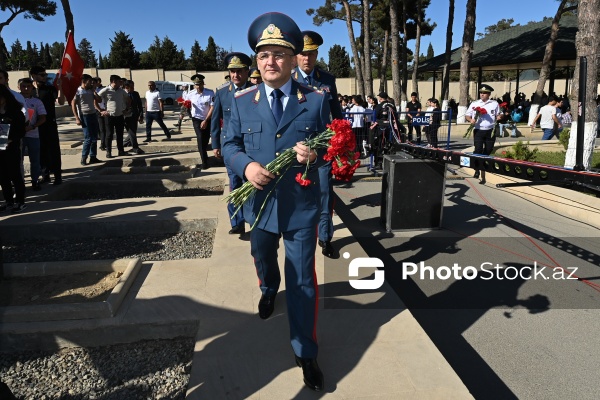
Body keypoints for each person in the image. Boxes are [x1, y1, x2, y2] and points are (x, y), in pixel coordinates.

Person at [222, 12, 330, 392]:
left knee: (302, 281)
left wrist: (314, 157)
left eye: (279, 54)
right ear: (257, 60)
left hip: (301, 208)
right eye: (264, 54)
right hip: (261, 207)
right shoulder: (242, 101)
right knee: (263, 256)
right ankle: (268, 288)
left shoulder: (315, 101)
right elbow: (229, 145)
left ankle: (305, 351)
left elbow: (330, 147)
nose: (271, 61)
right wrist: (246, 167)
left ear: (292, 58)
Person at [293, 29, 343, 259]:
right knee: (297, 195)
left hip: (321, 151)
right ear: (296, 55)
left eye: (311, 53)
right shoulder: (287, 79)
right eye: (303, 53)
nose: (307, 58)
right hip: (295, 150)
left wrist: (343, 141)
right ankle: (298, 236)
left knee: (324, 194)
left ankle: (325, 238)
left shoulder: (327, 81)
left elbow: (338, 115)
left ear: (316, 55)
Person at [211, 52, 254, 235]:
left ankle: (252, 218)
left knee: (250, 183)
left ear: (247, 72)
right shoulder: (222, 93)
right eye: (232, 72)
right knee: (234, 182)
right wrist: (215, 145)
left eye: (239, 71)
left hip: (251, 145)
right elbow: (215, 120)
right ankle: (236, 222)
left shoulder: (256, 91)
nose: (235, 75)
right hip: (230, 146)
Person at [30, 65, 64, 185]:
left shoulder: (50, 89)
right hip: (36, 126)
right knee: (41, 151)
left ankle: (57, 176)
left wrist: (60, 88)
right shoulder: (29, 91)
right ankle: (45, 175)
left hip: (50, 124)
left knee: (53, 150)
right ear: (34, 76)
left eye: (45, 75)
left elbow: (60, 101)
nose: (45, 77)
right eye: (42, 75)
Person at [465, 84, 501, 185]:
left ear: (489, 94)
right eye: (481, 93)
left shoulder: (494, 103)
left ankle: (479, 163)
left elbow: (499, 114)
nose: (482, 94)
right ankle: (477, 169)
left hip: (490, 130)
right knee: (477, 150)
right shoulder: (474, 103)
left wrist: (500, 117)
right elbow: (467, 115)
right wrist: (470, 119)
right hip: (478, 130)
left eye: (484, 93)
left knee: (488, 150)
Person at [0, 84, 27, 212]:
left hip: (12, 147)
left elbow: (21, 131)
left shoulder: (15, 112)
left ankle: (20, 201)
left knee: (15, 174)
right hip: (0, 148)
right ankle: (8, 201)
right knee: (2, 176)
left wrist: (11, 139)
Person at [19, 78, 45, 191]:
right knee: (18, 161)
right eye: (23, 86)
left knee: (35, 160)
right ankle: (20, 183)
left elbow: (43, 117)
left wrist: (33, 126)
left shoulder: (37, 102)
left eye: (28, 86)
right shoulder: (14, 100)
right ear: (18, 87)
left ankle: (35, 180)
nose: (26, 89)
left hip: (33, 135)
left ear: (31, 87)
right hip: (18, 136)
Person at [96, 75, 130, 158]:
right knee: (109, 135)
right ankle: (109, 152)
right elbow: (95, 100)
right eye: (119, 81)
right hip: (109, 116)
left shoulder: (121, 91)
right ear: (114, 81)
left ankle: (121, 151)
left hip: (120, 116)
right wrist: (101, 110)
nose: (121, 83)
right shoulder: (106, 90)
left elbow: (128, 99)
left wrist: (126, 109)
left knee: (120, 134)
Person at [72, 74, 102, 165]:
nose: (91, 83)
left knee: (94, 137)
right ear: (84, 81)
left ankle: (93, 157)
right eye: (89, 81)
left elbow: (99, 100)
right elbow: (73, 104)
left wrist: (94, 92)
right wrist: (77, 118)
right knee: (88, 138)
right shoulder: (78, 91)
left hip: (93, 114)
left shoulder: (91, 91)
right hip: (84, 115)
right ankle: (84, 158)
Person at [187, 74, 214, 170]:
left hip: (207, 118)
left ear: (203, 84)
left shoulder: (210, 93)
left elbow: (212, 107)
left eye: (199, 84)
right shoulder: (190, 94)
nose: (198, 87)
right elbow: (186, 104)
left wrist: (206, 120)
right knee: (200, 138)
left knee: (206, 139)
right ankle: (204, 161)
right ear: (194, 85)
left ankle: (204, 154)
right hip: (196, 119)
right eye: (196, 85)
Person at [123, 80, 144, 155]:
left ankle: (125, 143)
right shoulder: (122, 94)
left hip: (135, 115)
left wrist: (141, 115)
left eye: (133, 86)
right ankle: (135, 148)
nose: (133, 88)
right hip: (125, 116)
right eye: (131, 87)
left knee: (133, 131)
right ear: (126, 87)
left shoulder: (135, 94)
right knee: (131, 131)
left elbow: (139, 105)